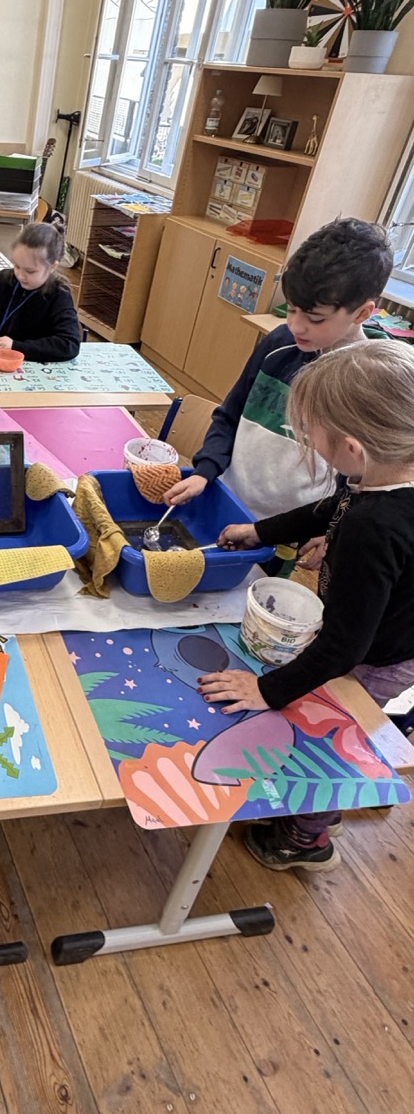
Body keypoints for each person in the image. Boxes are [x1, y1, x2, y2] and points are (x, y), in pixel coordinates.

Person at [199, 341, 414, 872]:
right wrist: (261, 531)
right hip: (382, 627)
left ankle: (306, 837)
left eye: (311, 431)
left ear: (352, 448)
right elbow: (331, 506)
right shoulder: (383, 474)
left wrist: (266, 690)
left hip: (381, 656)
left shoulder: (373, 527)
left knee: (334, 737)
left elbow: (343, 648)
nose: (307, 439)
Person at [164, 218, 393, 540]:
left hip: (290, 530)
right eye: (292, 310)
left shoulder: (371, 381)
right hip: (228, 501)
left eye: (315, 318)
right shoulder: (279, 344)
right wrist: (205, 471)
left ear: (362, 313)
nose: (297, 326)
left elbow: (364, 479)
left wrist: (330, 531)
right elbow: (229, 415)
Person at [0, 221, 80, 362]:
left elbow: (69, 344)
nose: (20, 275)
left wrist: (16, 347)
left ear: (52, 267)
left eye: (30, 271)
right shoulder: (4, 280)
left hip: (34, 364)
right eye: (17, 266)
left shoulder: (59, 295)